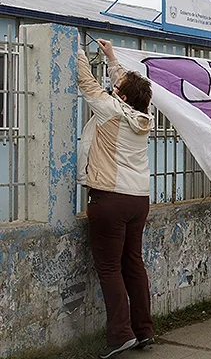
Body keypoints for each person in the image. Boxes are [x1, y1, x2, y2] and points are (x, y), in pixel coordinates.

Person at [77, 38, 155, 358]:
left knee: (109, 268)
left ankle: (120, 335)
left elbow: (86, 82)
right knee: (132, 264)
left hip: (109, 198)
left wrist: (77, 51)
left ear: (119, 96)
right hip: (138, 200)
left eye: (117, 85)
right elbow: (126, 83)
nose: (113, 82)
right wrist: (111, 58)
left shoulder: (110, 109)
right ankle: (143, 330)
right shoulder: (141, 115)